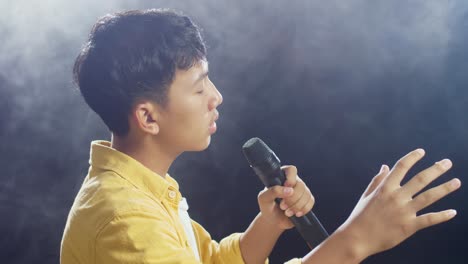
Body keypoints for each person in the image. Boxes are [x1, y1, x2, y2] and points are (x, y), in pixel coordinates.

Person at [60, 8, 461, 264]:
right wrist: (355, 241)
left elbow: (210, 260)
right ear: (148, 117)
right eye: (199, 88)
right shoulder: (125, 220)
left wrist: (268, 225)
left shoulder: (142, 190)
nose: (216, 96)